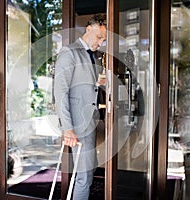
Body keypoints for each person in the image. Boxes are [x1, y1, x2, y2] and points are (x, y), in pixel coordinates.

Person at [54, 14, 107, 200]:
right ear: (89, 29)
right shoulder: (69, 53)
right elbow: (60, 92)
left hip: (90, 121)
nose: (101, 43)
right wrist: (67, 128)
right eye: (99, 37)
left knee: (89, 170)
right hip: (76, 124)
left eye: (104, 40)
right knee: (84, 176)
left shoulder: (94, 57)